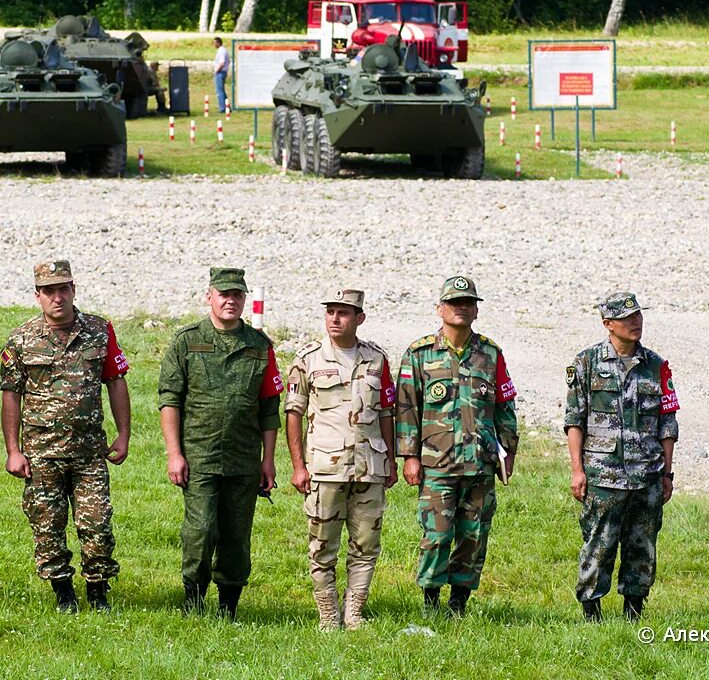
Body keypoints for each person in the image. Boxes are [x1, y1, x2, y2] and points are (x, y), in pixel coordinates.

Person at [0, 260, 131, 613]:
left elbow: (116, 382)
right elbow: (11, 394)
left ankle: (98, 592)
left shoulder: (100, 332)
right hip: (42, 454)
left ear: (73, 290)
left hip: (90, 452)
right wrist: (13, 450)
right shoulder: (21, 340)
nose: (57, 297)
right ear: (37, 295)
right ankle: (63, 593)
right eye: (49, 291)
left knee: (97, 524)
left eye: (63, 289)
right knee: (47, 525)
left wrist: (123, 435)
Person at [158, 267, 283, 620]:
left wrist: (268, 460)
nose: (231, 301)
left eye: (237, 295)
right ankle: (193, 602)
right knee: (200, 531)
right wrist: (174, 454)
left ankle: (229, 607)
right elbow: (170, 399)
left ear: (244, 299)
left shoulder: (259, 346)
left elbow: (269, 406)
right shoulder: (187, 341)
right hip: (199, 456)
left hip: (244, 458)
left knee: (236, 536)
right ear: (209, 296)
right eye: (224, 294)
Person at [396, 276, 518, 616]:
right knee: (436, 536)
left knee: (473, 537)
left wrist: (508, 452)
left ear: (476, 310)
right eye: (454, 303)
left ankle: (459, 603)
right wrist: (409, 456)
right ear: (440, 309)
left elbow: (505, 405)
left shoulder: (491, 354)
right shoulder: (419, 353)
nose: (461, 308)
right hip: (437, 463)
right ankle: (431, 602)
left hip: (480, 463)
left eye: (468, 302)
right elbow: (406, 408)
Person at [285, 288, 398, 630]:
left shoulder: (377, 360)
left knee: (366, 544)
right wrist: (298, 466)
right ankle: (328, 614)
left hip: (369, 467)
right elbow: (293, 412)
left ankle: (355, 611)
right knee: (322, 547)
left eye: (344, 312)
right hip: (325, 468)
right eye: (331, 311)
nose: (335, 318)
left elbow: (387, 412)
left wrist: (390, 459)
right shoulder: (308, 359)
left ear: (359, 318)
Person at [564, 291, 679, 622]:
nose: (635, 321)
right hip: (603, 473)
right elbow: (574, 420)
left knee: (641, 546)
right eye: (627, 317)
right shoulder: (586, 364)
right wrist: (577, 470)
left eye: (638, 315)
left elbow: (667, 423)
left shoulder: (656, 366)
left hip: (647, 474)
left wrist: (667, 474)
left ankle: (634, 611)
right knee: (599, 544)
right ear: (607, 324)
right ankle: (592, 612)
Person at [212, 37, 230, 114]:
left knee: (219, 91)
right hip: (222, 72)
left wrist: (216, 70)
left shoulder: (222, 51)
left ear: (218, 43)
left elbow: (222, 63)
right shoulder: (222, 51)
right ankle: (227, 106)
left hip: (220, 72)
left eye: (214, 43)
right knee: (221, 90)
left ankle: (222, 107)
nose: (213, 45)